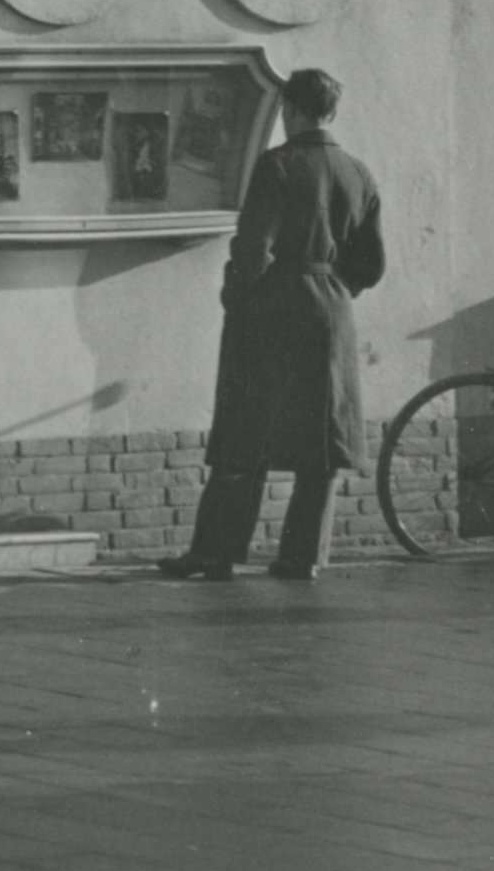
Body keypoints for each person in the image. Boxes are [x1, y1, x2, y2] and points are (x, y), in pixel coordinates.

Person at [163, 66, 385, 584]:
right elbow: (370, 264)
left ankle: (215, 554)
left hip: (272, 308)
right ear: (330, 112)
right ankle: (303, 557)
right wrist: (334, 288)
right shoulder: (358, 172)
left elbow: (252, 247)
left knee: (245, 430)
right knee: (321, 442)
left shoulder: (277, 165)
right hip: (331, 311)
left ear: (291, 109)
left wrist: (237, 298)